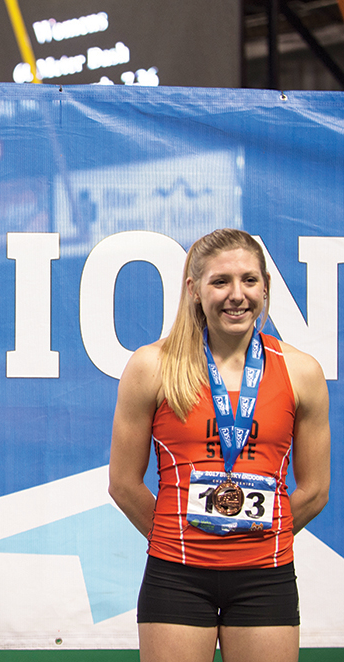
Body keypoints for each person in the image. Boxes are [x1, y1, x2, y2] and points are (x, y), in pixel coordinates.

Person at [109, 228, 330, 662]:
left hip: (266, 577)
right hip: (177, 576)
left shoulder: (302, 372)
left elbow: (316, 489)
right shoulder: (152, 366)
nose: (237, 295)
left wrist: (260, 534)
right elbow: (123, 483)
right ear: (194, 289)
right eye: (220, 281)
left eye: (249, 280)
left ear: (265, 287)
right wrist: (179, 536)